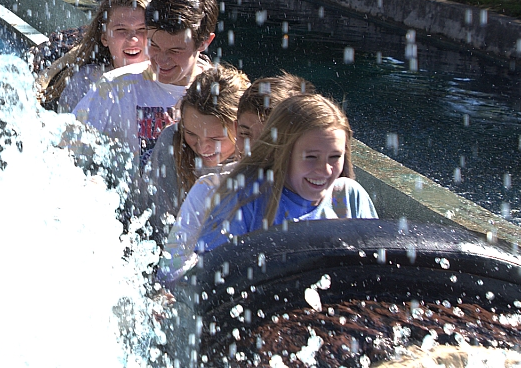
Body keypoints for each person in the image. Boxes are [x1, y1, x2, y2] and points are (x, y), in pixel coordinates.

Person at [157, 73, 316, 281]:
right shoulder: (210, 189)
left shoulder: (344, 195)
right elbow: (170, 270)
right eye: (245, 134)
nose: (254, 148)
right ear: (236, 128)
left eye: (270, 137)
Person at [194, 94, 377, 254]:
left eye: (335, 157)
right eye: (311, 157)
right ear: (281, 153)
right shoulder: (244, 201)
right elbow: (209, 276)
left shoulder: (350, 196)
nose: (326, 170)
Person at [73, 0, 218, 169]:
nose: (161, 60)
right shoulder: (114, 87)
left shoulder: (222, 94)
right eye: (154, 45)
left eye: (175, 50)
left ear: (204, 43)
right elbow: (67, 151)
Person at [140, 64, 249, 243]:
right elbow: (159, 230)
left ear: (241, 129)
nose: (202, 148)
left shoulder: (258, 155)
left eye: (216, 138)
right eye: (191, 134)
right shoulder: (171, 143)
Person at [37, 0, 150, 112]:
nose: (133, 39)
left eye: (142, 29)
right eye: (121, 30)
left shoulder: (169, 79)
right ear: (105, 38)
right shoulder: (85, 82)